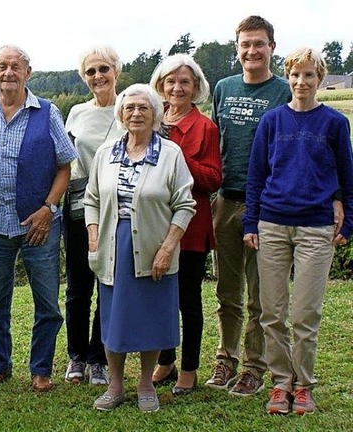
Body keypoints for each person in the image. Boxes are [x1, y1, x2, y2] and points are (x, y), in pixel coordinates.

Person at [243, 48, 353, 415]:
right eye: (295, 75)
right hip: (272, 225)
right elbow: (256, 176)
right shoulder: (272, 122)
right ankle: (279, 384)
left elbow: (347, 176)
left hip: (316, 227)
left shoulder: (335, 124)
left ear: (320, 79)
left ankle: (303, 384)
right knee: (272, 312)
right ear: (287, 78)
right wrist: (250, 223)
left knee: (306, 313)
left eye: (309, 76)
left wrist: (348, 218)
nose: (301, 82)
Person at [0, 44, 77, 392]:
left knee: (47, 301)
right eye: (2, 66)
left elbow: (65, 166)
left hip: (37, 223)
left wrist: (48, 208)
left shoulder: (47, 112)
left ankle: (41, 369)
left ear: (28, 72)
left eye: (16, 66)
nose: (8, 72)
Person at [84, 83, 196, 412]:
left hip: (153, 245)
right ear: (120, 114)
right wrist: (93, 234)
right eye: (129, 107)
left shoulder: (170, 154)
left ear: (155, 114)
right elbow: (90, 199)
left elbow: (185, 204)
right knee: (114, 318)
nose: (136, 113)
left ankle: (146, 383)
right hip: (112, 247)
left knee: (152, 317)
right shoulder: (106, 153)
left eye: (143, 108)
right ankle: (116, 386)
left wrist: (167, 248)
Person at [207, 15, 292, 396]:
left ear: (272, 47)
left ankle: (254, 367)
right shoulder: (223, 88)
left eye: (259, 44)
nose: (252, 51)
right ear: (237, 48)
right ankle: (226, 359)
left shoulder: (284, 91)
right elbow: (214, 143)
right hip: (226, 202)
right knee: (227, 291)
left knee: (262, 296)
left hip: (269, 207)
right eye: (245, 44)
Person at [149, 54, 222, 395]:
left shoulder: (204, 127)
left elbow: (212, 179)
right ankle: (165, 361)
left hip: (190, 227)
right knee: (161, 297)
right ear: (161, 87)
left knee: (188, 301)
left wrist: (178, 156)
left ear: (196, 88)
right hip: (155, 225)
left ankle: (189, 369)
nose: (177, 88)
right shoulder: (152, 120)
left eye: (185, 82)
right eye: (171, 82)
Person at [63, 45, 124, 386]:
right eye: (90, 71)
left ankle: (99, 358)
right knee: (78, 286)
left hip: (119, 210)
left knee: (108, 284)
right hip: (78, 208)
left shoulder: (129, 106)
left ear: (116, 70)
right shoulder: (76, 113)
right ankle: (76, 356)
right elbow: (67, 162)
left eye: (103, 69)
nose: (98, 76)